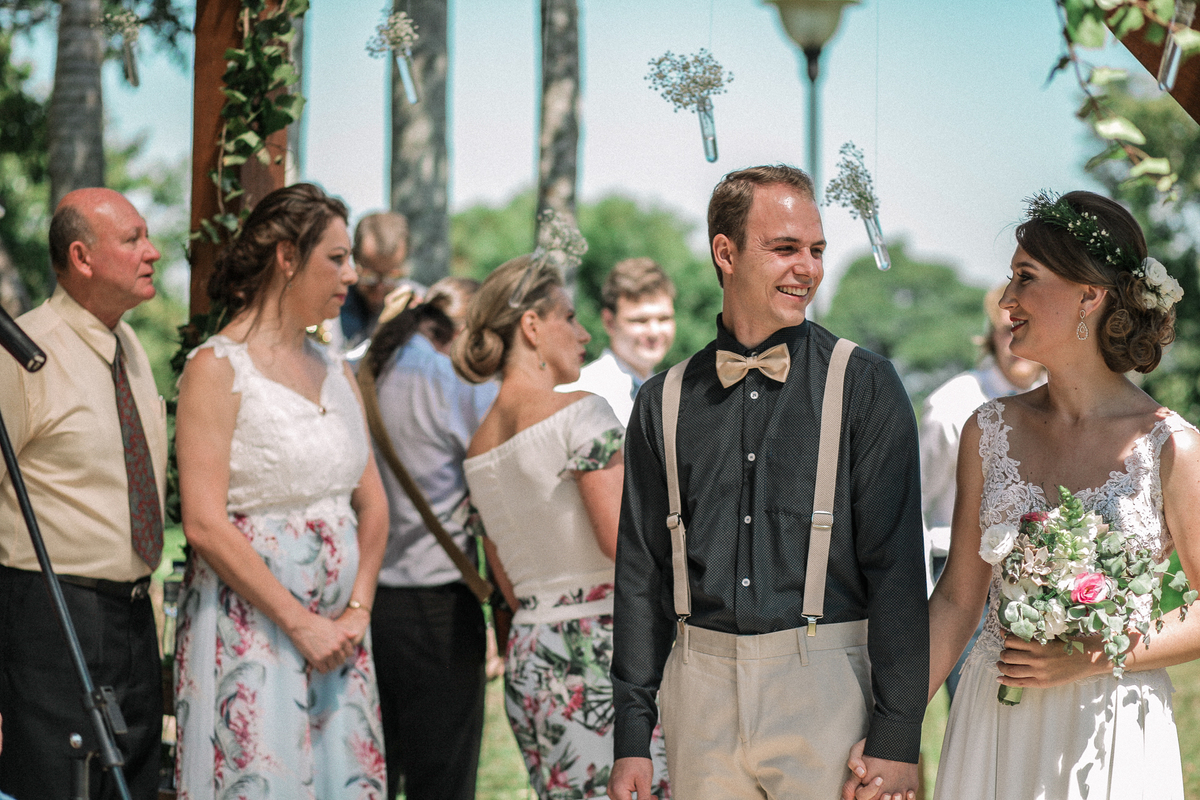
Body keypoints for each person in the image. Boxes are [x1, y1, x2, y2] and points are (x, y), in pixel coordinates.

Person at [847, 190, 1200, 800]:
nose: (1007, 299)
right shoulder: (989, 431)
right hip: (995, 721)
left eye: (1026, 277)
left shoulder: (1172, 448)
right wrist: (892, 731)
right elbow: (957, 600)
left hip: (1112, 729)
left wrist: (1092, 655)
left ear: (1089, 296)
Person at [608, 164, 928, 800]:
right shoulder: (662, 401)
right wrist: (632, 736)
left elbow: (897, 569)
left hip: (825, 687)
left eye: (816, 250)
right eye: (785, 248)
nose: (807, 269)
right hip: (697, 691)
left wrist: (897, 735)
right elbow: (641, 574)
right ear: (725, 253)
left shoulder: (864, 385)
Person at [174, 183, 389, 799]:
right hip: (254, 630)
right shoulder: (216, 367)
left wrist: (356, 612)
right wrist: (300, 623)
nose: (351, 275)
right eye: (336, 258)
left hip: (341, 641)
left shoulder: (336, 368)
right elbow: (203, 522)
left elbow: (373, 503)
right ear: (287, 257)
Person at [454, 256, 670, 799]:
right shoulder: (581, 413)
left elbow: (506, 584)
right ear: (531, 325)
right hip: (601, 654)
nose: (584, 333)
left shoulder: (477, 448)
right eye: (569, 318)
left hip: (531, 655)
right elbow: (623, 542)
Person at [0, 188, 167, 800]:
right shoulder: (21, 355)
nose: (152, 251)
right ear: (81, 257)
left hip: (133, 618)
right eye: (132, 238)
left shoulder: (130, 348)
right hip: (50, 618)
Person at [363, 277, 498, 800]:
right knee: (442, 782)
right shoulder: (452, 381)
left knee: (371, 774)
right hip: (439, 608)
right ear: (467, 332)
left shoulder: (361, 370)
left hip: (364, 600)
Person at [921, 284, 1046, 591]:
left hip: (1039, 576)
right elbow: (914, 500)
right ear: (991, 335)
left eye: (1028, 326)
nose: (1018, 339)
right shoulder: (951, 404)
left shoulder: (1065, 402)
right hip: (957, 572)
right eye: (1008, 329)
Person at [558, 258, 676, 427]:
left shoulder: (674, 397)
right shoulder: (579, 395)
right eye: (640, 320)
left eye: (664, 318)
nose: (654, 332)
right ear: (609, 322)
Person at [336, 211, 416, 351]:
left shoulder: (420, 308)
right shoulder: (332, 305)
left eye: (391, 277)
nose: (379, 288)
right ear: (353, 257)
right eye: (369, 276)